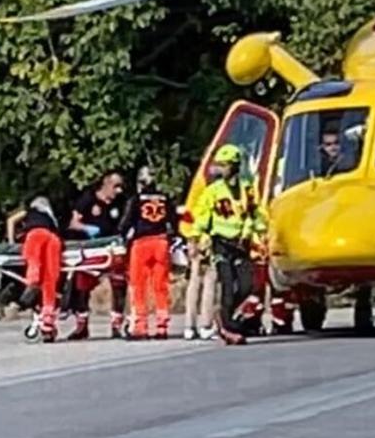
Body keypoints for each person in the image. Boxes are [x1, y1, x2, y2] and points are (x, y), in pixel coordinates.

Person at [187, 144, 265, 345]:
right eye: (219, 165)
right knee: (227, 287)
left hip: (241, 244)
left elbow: (254, 213)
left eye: (224, 165)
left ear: (235, 165)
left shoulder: (247, 188)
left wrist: (261, 232)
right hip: (221, 244)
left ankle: (225, 316)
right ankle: (227, 326)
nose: (220, 169)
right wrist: (195, 239)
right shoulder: (213, 191)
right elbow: (202, 216)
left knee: (247, 286)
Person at [64, 170, 128, 340]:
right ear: (106, 183)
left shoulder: (121, 201)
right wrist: (86, 228)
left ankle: (116, 325)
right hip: (91, 248)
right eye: (115, 186)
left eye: (121, 187)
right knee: (81, 286)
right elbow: (73, 223)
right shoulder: (88, 199)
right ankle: (82, 325)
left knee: (119, 283)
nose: (119, 190)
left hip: (113, 248)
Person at [119, 166, 178, 339]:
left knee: (138, 286)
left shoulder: (136, 199)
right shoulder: (165, 198)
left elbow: (125, 223)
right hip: (161, 243)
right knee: (161, 286)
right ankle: (162, 326)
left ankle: (140, 326)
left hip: (141, 244)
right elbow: (173, 221)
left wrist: (123, 236)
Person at [5, 196, 63, 342]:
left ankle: (29, 290)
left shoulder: (30, 211)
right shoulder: (51, 219)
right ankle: (48, 319)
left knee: (34, 268)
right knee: (50, 278)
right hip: (53, 239)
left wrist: (11, 242)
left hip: (35, 236)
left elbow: (11, 220)